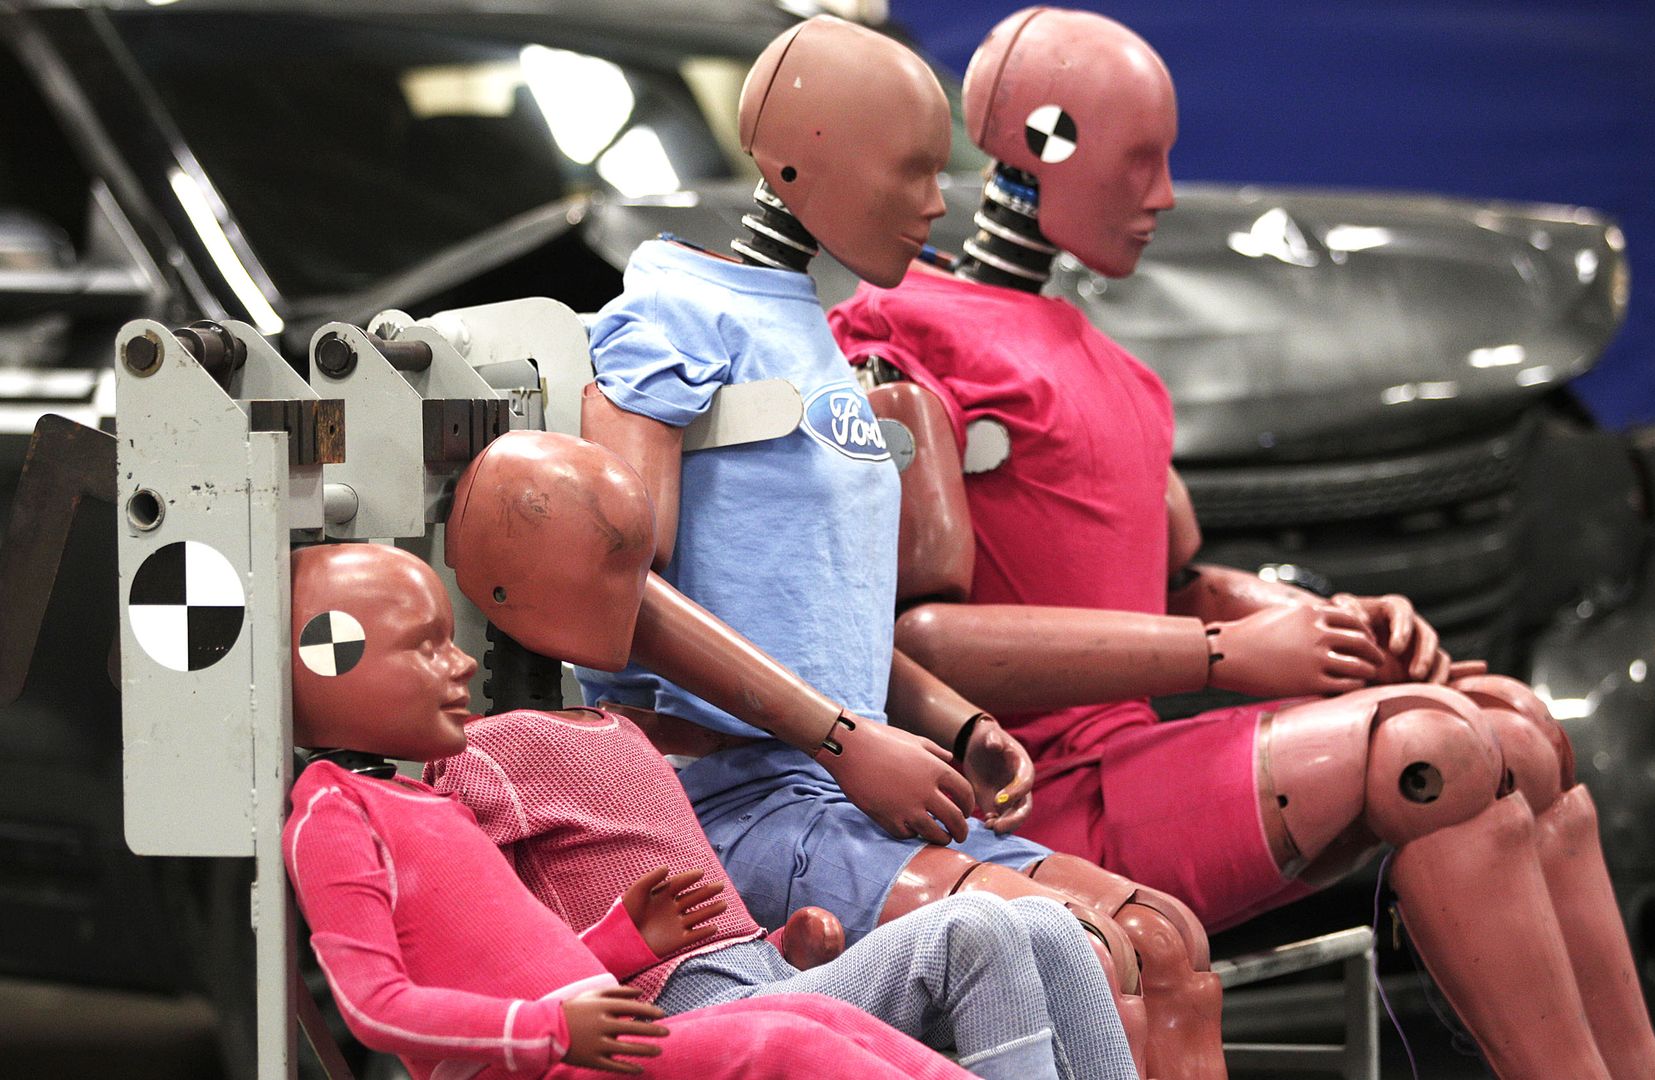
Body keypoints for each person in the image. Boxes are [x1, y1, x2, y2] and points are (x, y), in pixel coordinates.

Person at [828, 8, 1655, 1080]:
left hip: (1127, 766)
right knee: (1434, 754)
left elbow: (1179, 579)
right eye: (1139, 160)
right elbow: (917, 643)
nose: (1164, 195)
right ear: (1044, 143)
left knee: (1518, 727)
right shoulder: (901, 338)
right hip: (1024, 797)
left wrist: (1320, 624)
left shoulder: (1110, 369)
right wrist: (1229, 658)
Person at [445, 16, 1225, 1076]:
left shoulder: (810, 329)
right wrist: (843, 739)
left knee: (1166, 945)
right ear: (803, 154)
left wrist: (957, 721)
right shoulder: (676, 314)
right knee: (1081, 947)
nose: (937, 200)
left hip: (834, 782)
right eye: (908, 170)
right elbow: (609, 589)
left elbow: (816, 601)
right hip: (734, 802)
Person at [283, 542, 975, 1080]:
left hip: (581, 1047)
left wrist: (624, 944)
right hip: (547, 1062)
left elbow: (499, 961)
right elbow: (375, 1006)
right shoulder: (334, 814)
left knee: (810, 1013)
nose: (461, 665)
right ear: (328, 662)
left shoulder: (421, 802)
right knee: (780, 1039)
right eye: (426, 646)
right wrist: (550, 1030)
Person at [429, 705, 1137, 1080]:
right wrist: (616, 945)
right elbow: (489, 960)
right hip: (683, 1007)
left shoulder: (624, 732)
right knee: (972, 929)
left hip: (763, 974)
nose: (453, 662)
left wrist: (775, 943)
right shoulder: (482, 756)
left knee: (1045, 922)